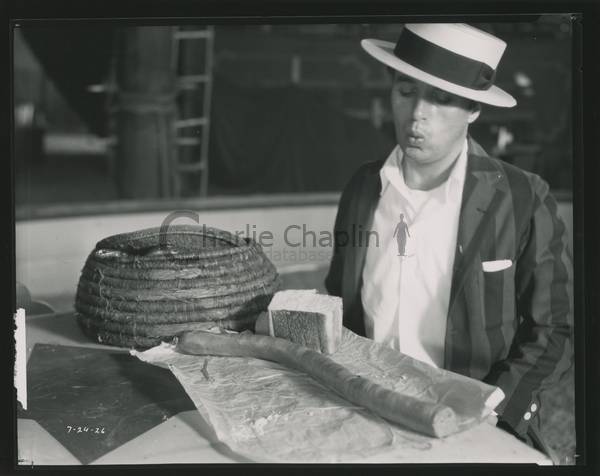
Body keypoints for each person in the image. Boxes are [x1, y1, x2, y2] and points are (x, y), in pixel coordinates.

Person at [325, 23, 573, 462]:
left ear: (474, 109)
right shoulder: (362, 188)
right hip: (366, 418)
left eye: (440, 98)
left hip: (474, 426)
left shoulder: (521, 197)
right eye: (406, 90)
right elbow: (341, 306)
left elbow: (553, 329)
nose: (417, 113)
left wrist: (495, 413)